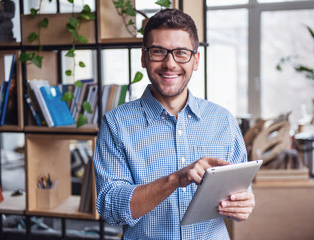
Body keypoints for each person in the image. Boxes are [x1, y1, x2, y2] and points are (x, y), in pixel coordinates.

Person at [94, 8, 255, 239]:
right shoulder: (115, 124)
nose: (170, 64)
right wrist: (174, 180)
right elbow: (111, 208)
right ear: (143, 57)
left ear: (196, 60)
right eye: (159, 51)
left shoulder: (223, 121)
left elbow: (241, 192)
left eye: (181, 53)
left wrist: (243, 204)